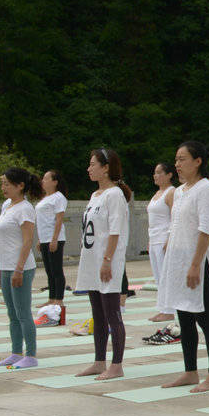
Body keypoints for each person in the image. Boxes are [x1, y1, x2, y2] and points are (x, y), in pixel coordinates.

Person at [163, 141, 209, 393]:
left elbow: (207, 228)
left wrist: (195, 264)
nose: (177, 164)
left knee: (205, 318)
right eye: (176, 160)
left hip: (198, 264)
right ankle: (190, 371)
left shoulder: (205, 189)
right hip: (178, 263)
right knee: (184, 319)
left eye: (182, 159)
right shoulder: (179, 191)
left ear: (198, 161)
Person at [75, 149, 131, 379]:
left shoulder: (114, 195)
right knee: (97, 313)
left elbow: (115, 232)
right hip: (91, 260)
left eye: (92, 164)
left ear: (105, 167)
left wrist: (107, 260)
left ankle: (116, 364)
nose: (89, 169)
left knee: (112, 313)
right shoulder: (95, 195)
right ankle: (99, 360)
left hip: (107, 260)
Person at [0, 169, 39, 367]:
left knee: (23, 312)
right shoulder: (7, 206)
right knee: (12, 314)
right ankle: (16, 351)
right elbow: (5, 241)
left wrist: (19, 269)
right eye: (2, 184)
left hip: (21, 267)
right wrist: (0, 268)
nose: (3, 188)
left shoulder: (25, 208)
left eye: (7, 184)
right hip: (7, 266)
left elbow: (27, 241)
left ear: (20, 186)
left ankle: (31, 355)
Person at [145, 162, 176, 327]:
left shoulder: (171, 192)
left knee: (166, 275)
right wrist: (150, 241)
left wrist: (170, 238)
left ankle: (170, 310)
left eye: (159, 173)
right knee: (158, 276)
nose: (155, 176)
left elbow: (174, 217)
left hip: (165, 238)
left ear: (169, 174)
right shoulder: (157, 193)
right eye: (154, 173)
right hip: (154, 238)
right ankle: (163, 307)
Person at [36, 170, 68, 318]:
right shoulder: (45, 198)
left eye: (46, 178)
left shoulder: (58, 197)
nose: (43, 181)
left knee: (56, 269)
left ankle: (58, 299)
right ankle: (51, 298)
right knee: (49, 270)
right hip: (44, 238)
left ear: (55, 182)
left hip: (54, 238)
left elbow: (59, 219)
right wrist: (40, 239)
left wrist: (54, 239)